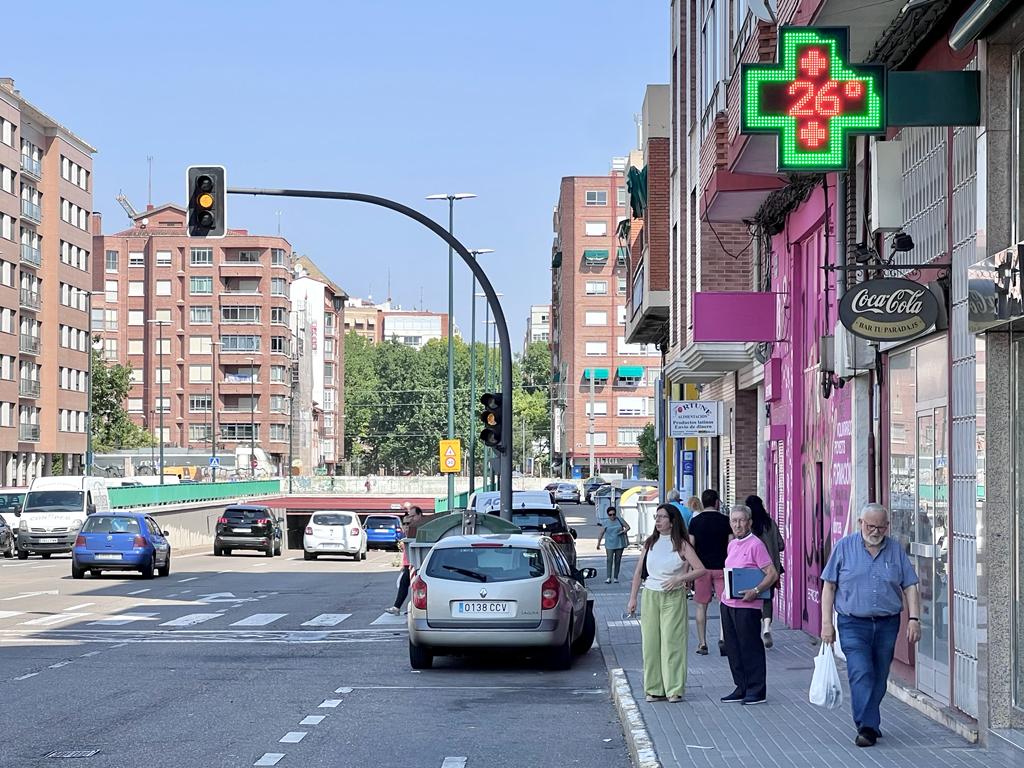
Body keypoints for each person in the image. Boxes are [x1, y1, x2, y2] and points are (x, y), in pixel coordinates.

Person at [821, 503, 920, 748]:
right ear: (860, 523)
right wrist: (826, 624)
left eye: (880, 527)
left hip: (887, 624)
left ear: (887, 527)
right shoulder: (844, 548)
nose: (875, 531)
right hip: (853, 623)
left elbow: (909, 586)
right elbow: (829, 586)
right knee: (861, 672)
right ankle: (866, 726)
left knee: (879, 676)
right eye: (870, 526)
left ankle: (870, 722)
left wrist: (915, 619)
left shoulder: (895, 550)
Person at [627, 503, 706, 703]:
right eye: (656, 517)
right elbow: (638, 573)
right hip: (651, 595)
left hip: (674, 596)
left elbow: (700, 569)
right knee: (651, 643)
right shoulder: (650, 543)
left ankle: (674, 689)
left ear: (672, 521)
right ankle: (654, 688)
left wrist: (679, 579)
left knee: (672, 642)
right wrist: (633, 598)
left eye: (662, 517)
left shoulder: (682, 544)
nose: (658, 521)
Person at [720, 504, 778, 706]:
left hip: (747, 605)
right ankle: (741, 686)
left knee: (750, 647)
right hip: (728, 603)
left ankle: (756, 689)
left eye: (741, 520)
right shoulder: (732, 544)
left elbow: (772, 573)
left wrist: (756, 591)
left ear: (750, 522)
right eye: (734, 521)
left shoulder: (756, 544)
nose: (737, 524)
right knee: (733, 648)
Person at [688, 489, 732, 655]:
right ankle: (723, 638)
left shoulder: (695, 522)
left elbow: (690, 547)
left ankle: (702, 642)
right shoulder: (725, 521)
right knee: (724, 604)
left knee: (701, 606)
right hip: (722, 568)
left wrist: (690, 570)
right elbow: (731, 545)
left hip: (701, 570)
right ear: (716, 502)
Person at [746, 494, 784, 648]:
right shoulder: (770, 523)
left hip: (753, 569)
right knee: (767, 599)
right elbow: (781, 545)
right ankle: (767, 627)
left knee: (753, 599)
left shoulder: (749, 527)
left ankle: (753, 632)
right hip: (771, 568)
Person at [385, 505, 424, 615]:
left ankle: (401, 607)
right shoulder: (412, 527)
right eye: (409, 517)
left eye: (413, 516)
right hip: (410, 561)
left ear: (420, 515)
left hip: (417, 561)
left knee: (411, 584)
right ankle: (399, 607)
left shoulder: (422, 527)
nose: (411, 519)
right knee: (406, 583)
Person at [596, 506, 630, 583]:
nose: (612, 516)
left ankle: (615, 577)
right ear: (608, 515)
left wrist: (623, 532)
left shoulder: (619, 520)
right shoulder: (605, 522)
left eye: (613, 514)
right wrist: (598, 543)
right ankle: (608, 577)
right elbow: (601, 533)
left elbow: (628, 527)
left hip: (619, 543)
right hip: (609, 544)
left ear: (615, 513)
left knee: (617, 560)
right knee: (609, 559)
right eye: (610, 515)